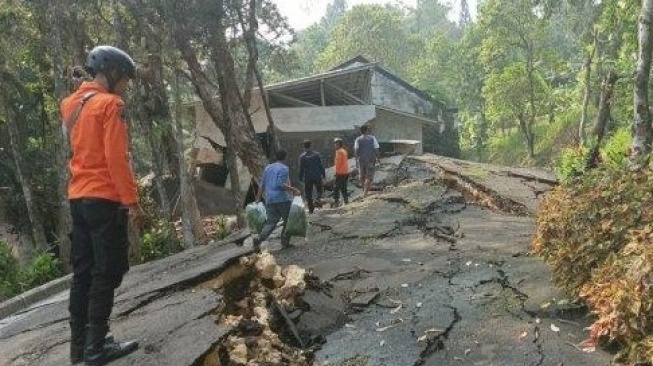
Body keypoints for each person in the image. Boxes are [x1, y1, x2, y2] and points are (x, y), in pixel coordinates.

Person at [60, 45, 143, 366]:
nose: (126, 87)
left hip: (78, 197)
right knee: (106, 271)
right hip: (104, 198)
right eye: (125, 80)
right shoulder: (111, 105)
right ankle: (96, 348)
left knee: (83, 272)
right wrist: (132, 202)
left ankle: (79, 347)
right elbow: (116, 158)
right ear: (113, 73)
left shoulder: (70, 104)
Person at [254, 149, 301, 250]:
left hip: (269, 199)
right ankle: (285, 243)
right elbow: (280, 184)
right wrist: (294, 190)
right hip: (283, 199)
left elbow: (262, 184)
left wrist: (258, 198)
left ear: (275, 157)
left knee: (271, 221)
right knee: (288, 221)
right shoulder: (284, 168)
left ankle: (259, 238)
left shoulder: (268, 168)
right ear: (285, 157)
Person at [298, 139, 326, 213]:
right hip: (317, 175)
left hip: (308, 177)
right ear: (311, 145)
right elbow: (321, 165)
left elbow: (301, 169)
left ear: (303, 147)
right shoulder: (317, 154)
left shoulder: (302, 157)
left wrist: (300, 179)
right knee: (319, 190)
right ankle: (317, 199)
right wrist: (323, 174)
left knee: (308, 193)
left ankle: (311, 209)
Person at [354, 124, 380, 198]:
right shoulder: (372, 138)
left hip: (361, 160)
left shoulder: (358, 139)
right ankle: (365, 193)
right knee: (369, 177)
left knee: (362, 176)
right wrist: (378, 158)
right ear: (366, 130)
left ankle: (364, 190)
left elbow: (356, 150)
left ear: (361, 131)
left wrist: (356, 160)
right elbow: (376, 149)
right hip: (371, 159)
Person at [333, 137, 349, 206]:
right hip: (346, 172)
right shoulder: (344, 150)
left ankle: (336, 202)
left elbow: (338, 163)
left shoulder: (338, 152)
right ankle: (346, 201)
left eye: (336, 143)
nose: (334, 144)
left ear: (339, 144)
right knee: (343, 187)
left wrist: (336, 172)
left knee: (336, 188)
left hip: (340, 172)